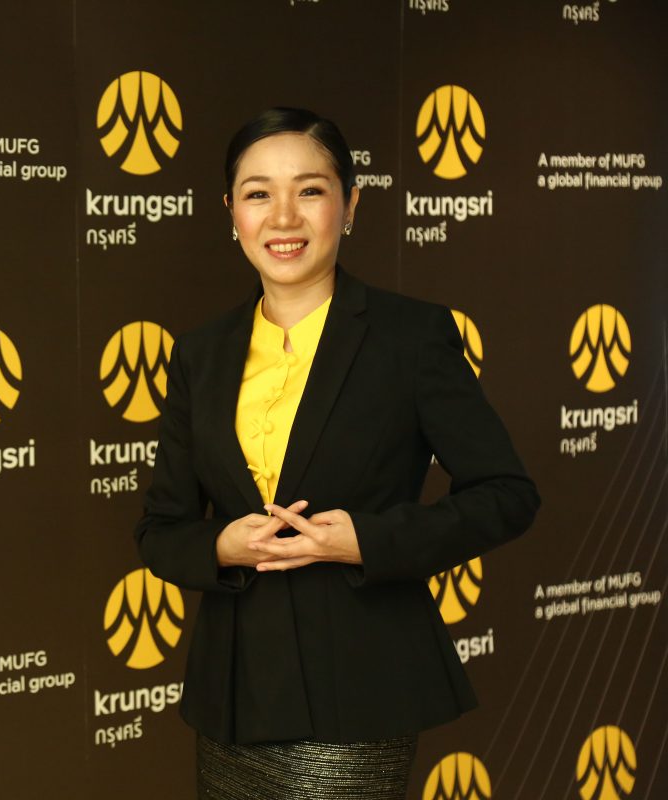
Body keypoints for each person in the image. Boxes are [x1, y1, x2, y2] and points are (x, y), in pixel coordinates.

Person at [134, 108, 539, 799]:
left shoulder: (411, 337)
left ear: (350, 205)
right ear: (231, 213)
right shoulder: (200, 354)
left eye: (310, 190)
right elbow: (160, 530)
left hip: (360, 687)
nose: (283, 217)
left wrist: (367, 541)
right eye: (258, 193)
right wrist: (222, 547)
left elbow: (507, 494)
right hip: (233, 695)